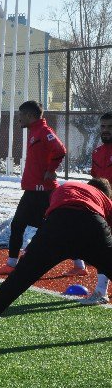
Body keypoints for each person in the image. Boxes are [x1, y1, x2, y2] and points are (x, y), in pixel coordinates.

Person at [0, 178, 112, 342]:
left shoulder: (67, 186)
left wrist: (32, 250)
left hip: (57, 226)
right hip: (92, 226)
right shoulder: (105, 200)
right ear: (104, 194)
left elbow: (49, 216)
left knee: (16, 281)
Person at [0, 101, 74, 276]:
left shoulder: (44, 131)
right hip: (34, 189)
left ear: (29, 116)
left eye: (20, 115)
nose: (18, 119)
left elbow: (60, 150)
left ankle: (14, 263)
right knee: (26, 225)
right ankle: (13, 262)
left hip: (42, 191)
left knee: (31, 226)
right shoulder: (34, 131)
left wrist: (51, 170)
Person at [81, 112, 112, 305]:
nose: (106, 130)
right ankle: (101, 292)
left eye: (110, 127)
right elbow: (96, 181)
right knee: (104, 249)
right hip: (104, 207)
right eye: (103, 127)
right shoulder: (97, 152)